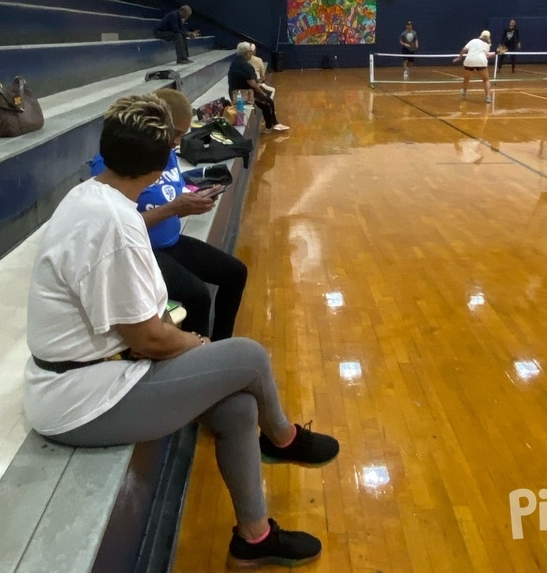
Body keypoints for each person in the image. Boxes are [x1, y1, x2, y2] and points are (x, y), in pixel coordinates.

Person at [25, 94, 339, 568]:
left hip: (93, 372)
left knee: (237, 407)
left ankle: (253, 539)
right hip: (82, 398)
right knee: (249, 356)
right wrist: (197, 345)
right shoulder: (113, 225)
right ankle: (283, 437)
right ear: (158, 169)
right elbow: (148, 338)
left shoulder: (93, 196)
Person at [90, 88, 247, 341]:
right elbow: (118, 227)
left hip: (171, 242)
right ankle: (196, 362)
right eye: (176, 133)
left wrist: (196, 195)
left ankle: (220, 347)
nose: (177, 141)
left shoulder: (167, 154)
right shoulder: (116, 164)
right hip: (143, 250)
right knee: (197, 296)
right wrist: (173, 209)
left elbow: (170, 188)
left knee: (235, 272)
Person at [230, 41, 289, 131]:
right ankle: (274, 124)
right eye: (251, 52)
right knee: (268, 101)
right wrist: (262, 94)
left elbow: (247, 80)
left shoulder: (235, 62)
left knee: (265, 104)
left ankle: (270, 125)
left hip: (236, 92)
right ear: (248, 52)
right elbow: (252, 84)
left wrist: (258, 81)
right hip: (242, 95)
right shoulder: (245, 66)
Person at [453, 30, 495, 103]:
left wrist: (459, 57)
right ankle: (488, 97)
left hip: (470, 60)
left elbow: (464, 49)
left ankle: (464, 91)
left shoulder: (473, 41)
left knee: (466, 78)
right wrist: (491, 55)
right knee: (486, 80)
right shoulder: (487, 45)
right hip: (481, 61)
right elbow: (486, 55)